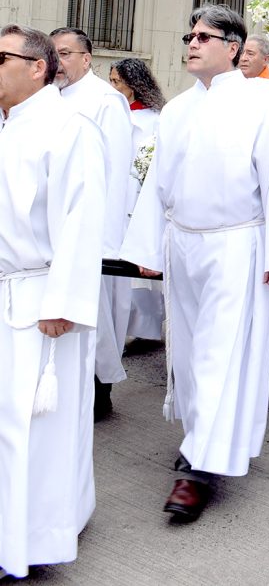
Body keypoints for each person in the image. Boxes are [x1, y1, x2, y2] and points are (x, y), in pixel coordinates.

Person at [120, 4, 269, 521]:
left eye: (205, 36)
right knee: (189, 351)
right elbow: (160, 184)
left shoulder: (261, 105)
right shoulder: (177, 110)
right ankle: (202, 438)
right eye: (190, 34)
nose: (193, 43)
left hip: (235, 246)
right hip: (184, 244)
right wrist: (146, 249)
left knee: (222, 353)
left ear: (233, 47)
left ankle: (198, 470)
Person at [0, 25, 105, 580]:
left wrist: (61, 301)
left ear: (37, 66)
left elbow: (81, 218)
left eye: (1, 56)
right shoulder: (8, 125)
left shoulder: (68, 128)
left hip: (42, 299)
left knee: (34, 425)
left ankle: (27, 544)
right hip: (6, 288)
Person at [51, 27, 133, 420]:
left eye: (66, 54)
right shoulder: (48, 97)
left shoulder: (105, 100)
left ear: (87, 59)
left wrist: (105, 239)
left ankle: (100, 392)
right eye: (53, 54)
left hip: (96, 227)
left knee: (97, 313)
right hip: (59, 223)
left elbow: (116, 171)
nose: (59, 62)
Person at [110, 58, 167, 343]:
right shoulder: (112, 112)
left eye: (117, 82)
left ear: (134, 85)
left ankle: (143, 325)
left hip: (138, 191)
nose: (113, 87)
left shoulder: (153, 118)